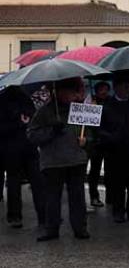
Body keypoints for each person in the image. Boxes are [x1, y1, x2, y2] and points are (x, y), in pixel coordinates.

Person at [27, 78, 93, 242]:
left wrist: (86, 142)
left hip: (76, 159)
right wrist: (51, 131)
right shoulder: (44, 112)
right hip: (53, 161)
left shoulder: (80, 110)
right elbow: (32, 135)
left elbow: (90, 134)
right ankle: (51, 228)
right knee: (52, 197)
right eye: (66, 91)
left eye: (72, 91)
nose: (69, 95)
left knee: (77, 196)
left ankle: (80, 227)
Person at [99, 80, 129, 222]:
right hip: (115, 148)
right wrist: (111, 137)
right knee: (117, 181)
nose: (128, 89)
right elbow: (99, 129)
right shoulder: (107, 105)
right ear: (117, 88)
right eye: (125, 86)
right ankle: (118, 211)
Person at [0, 83, 44, 230]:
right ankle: (43, 216)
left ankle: (15, 216)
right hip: (28, 147)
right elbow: (33, 119)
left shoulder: (3, 100)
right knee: (37, 182)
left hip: (11, 149)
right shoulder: (25, 99)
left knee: (14, 182)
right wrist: (23, 123)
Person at [86, 81, 112, 208]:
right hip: (95, 141)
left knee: (110, 169)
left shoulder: (111, 102)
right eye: (101, 89)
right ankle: (94, 196)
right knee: (95, 171)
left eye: (106, 89)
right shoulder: (90, 101)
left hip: (108, 141)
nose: (104, 92)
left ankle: (110, 195)